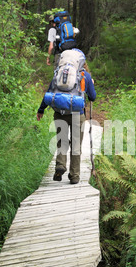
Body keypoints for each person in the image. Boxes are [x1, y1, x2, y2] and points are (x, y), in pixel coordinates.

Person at [37, 51, 96, 185]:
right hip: (77, 114)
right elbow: (92, 97)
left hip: (59, 113)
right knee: (76, 145)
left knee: (62, 141)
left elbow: (49, 92)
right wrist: (90, 83)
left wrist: (41, 110)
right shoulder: (84, 75)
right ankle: (74, 176)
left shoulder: (58, 73)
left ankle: (60, 165)